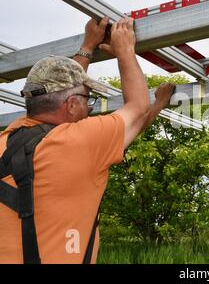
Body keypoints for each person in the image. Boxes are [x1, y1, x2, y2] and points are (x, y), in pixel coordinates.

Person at [0, 16, 175, 264]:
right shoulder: (79, 141)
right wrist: (125, 49)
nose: (89, 108)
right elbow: (137, 108)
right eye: (88, 100)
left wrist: (87, 46)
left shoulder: (8, 137)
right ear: (71, 105)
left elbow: (63, 88)